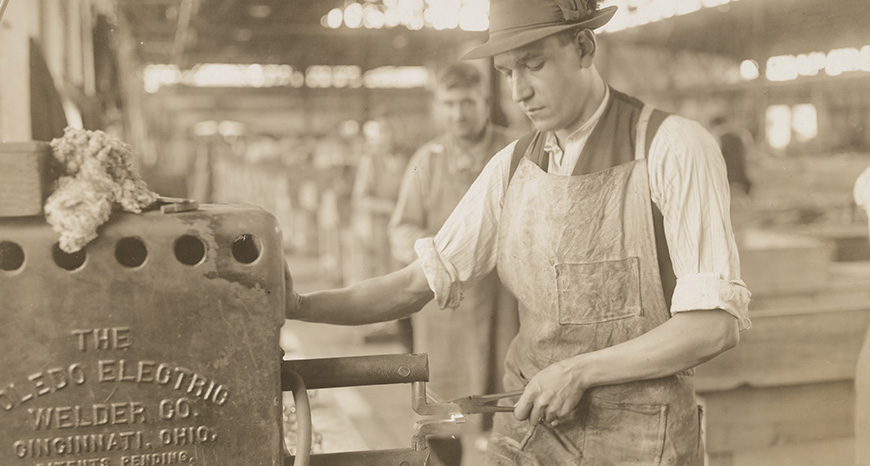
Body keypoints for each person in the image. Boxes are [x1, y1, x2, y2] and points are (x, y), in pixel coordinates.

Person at [285, 0, 752, 464]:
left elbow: (713, 327)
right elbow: (412, 286)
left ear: (585, 47)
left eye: (534, 65)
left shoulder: (672, 147)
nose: (519, 91)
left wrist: (579, 372)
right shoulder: (512, 167)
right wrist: (299, 305)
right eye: (507, 72)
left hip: (643, 437)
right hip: (532, 428)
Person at [388, 62, 519, 466]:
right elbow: (400, 228)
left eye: (467, 102)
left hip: (507, 304)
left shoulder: (516, 151)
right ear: (437, 107)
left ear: (485, 102)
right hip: (447, 311)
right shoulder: (426, 160)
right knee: (444, 416)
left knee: (511, 405)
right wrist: (430, 254)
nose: (458, 114)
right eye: (449, 104)